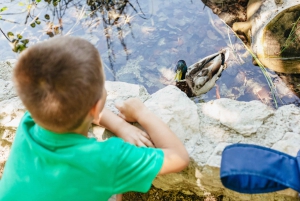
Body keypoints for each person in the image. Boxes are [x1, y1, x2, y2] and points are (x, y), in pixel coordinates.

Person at [0, 36, 190, 201]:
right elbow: (179, 158)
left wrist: (120, 126)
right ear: (95, 106)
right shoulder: (108, 159)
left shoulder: (29, 122)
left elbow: (77, 109)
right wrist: (142, 113)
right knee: (115, 188)